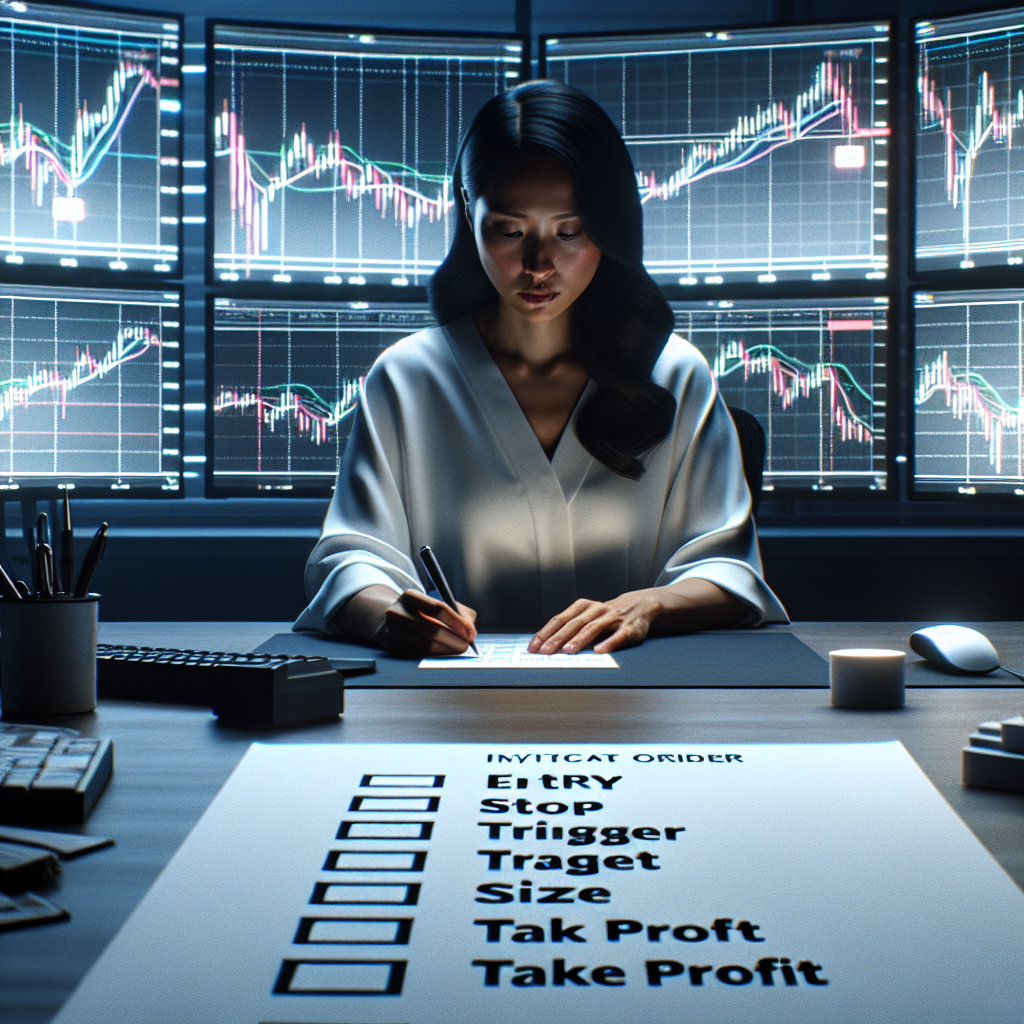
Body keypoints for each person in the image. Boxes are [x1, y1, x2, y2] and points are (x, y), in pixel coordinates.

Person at [295, 80, 788, 656]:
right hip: (452, 708)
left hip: (637, 711)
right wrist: (390, 615)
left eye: (570, 232)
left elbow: (727, 567)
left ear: (609, 226)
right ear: (464, 207)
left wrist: (648, 604)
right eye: (509, 231)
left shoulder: (673, 374)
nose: (538, 266)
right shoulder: (408, 379)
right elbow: (352, 559)